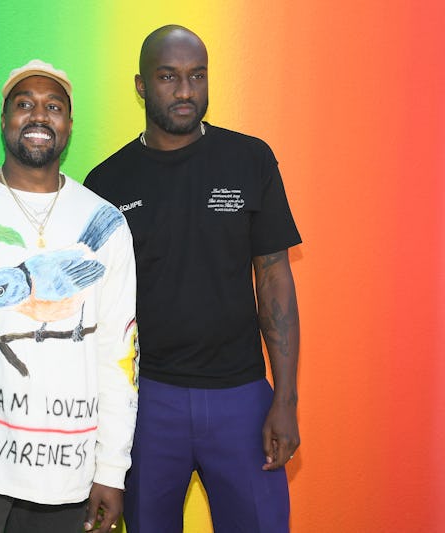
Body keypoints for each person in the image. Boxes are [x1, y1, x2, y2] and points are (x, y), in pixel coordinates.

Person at [84, 25, 302, 532]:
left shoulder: (249, 159)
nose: (185, 91)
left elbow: (275, 280)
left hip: (242, 398)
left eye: (196, 76)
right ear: (141, 85)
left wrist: (284, 400)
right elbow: (92, 310)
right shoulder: (106, 183)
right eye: (169, 77)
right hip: (148, 402)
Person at [0, 60, 138, 533]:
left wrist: (111, 470)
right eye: (24, 105)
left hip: (64, 469)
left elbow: (118, 354)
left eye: (53, 106)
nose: (39, 116)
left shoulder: (107, 220)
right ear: (4, 120)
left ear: (69, 124)